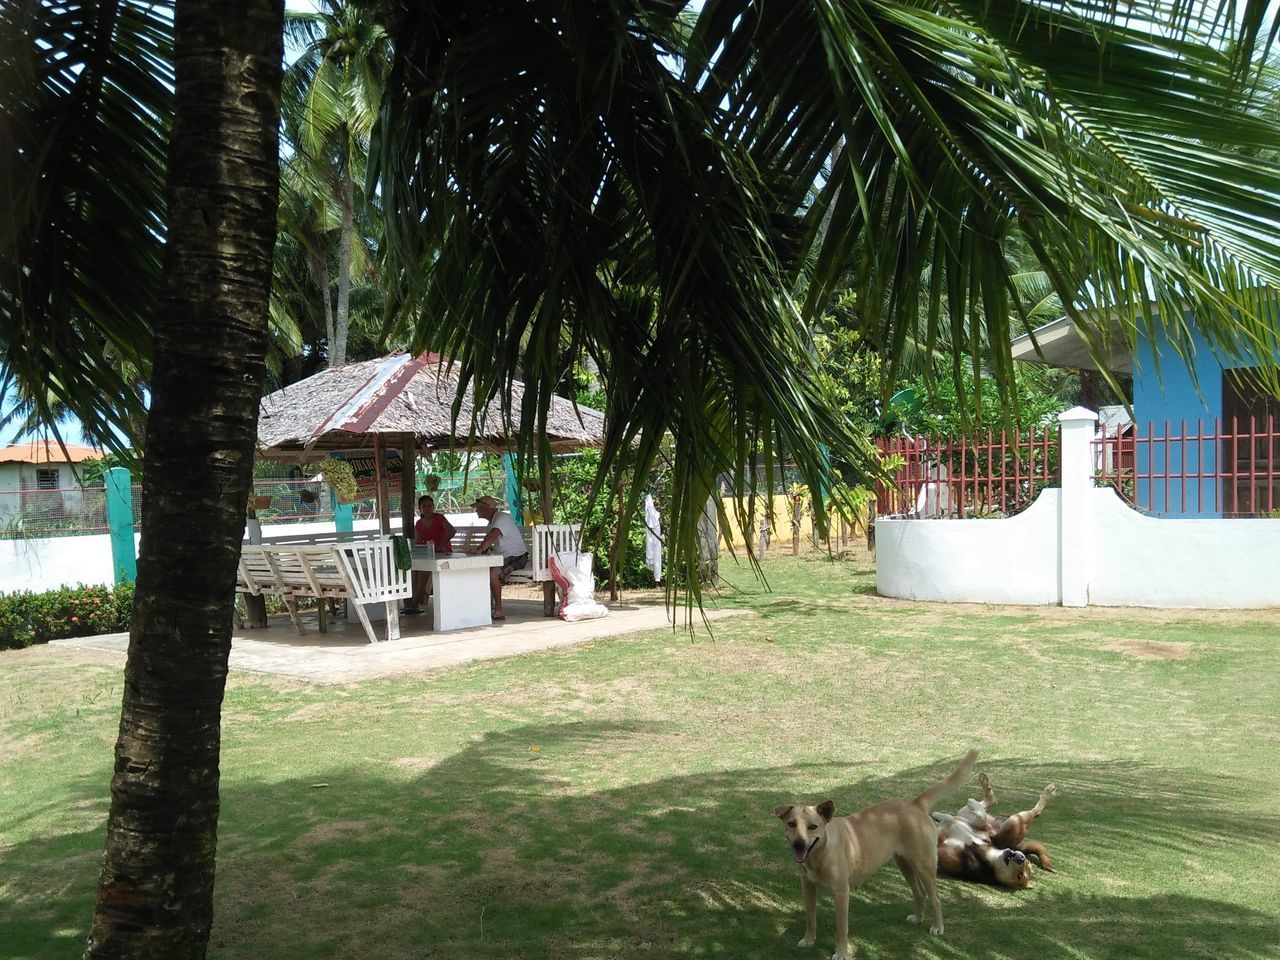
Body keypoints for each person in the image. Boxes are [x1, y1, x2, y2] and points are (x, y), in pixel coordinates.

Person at [467, 494, 528, 621]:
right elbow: (488, 542)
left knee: (492, 573)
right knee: (483, 571)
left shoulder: (502, 517)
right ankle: (485, 606)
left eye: (477, 508)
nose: (476, 511)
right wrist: (480, 552)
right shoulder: (493, 521)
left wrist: (479, 550)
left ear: (485, 509)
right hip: (503, 557)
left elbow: (492, 536)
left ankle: (498, 610)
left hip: (516, 556)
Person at [403, 495, 455, 615]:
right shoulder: (419, 523)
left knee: (422, 570)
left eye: (430, 505)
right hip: (428, 553)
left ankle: (415, 601)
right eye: (424, 506)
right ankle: (417, 596)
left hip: (442, 552)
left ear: (433, 507)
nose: (427, 508)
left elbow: (452, 531)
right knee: (414, 569)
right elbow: (417, 541)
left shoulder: (439, 518)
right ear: (420, 508)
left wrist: (441, 545)